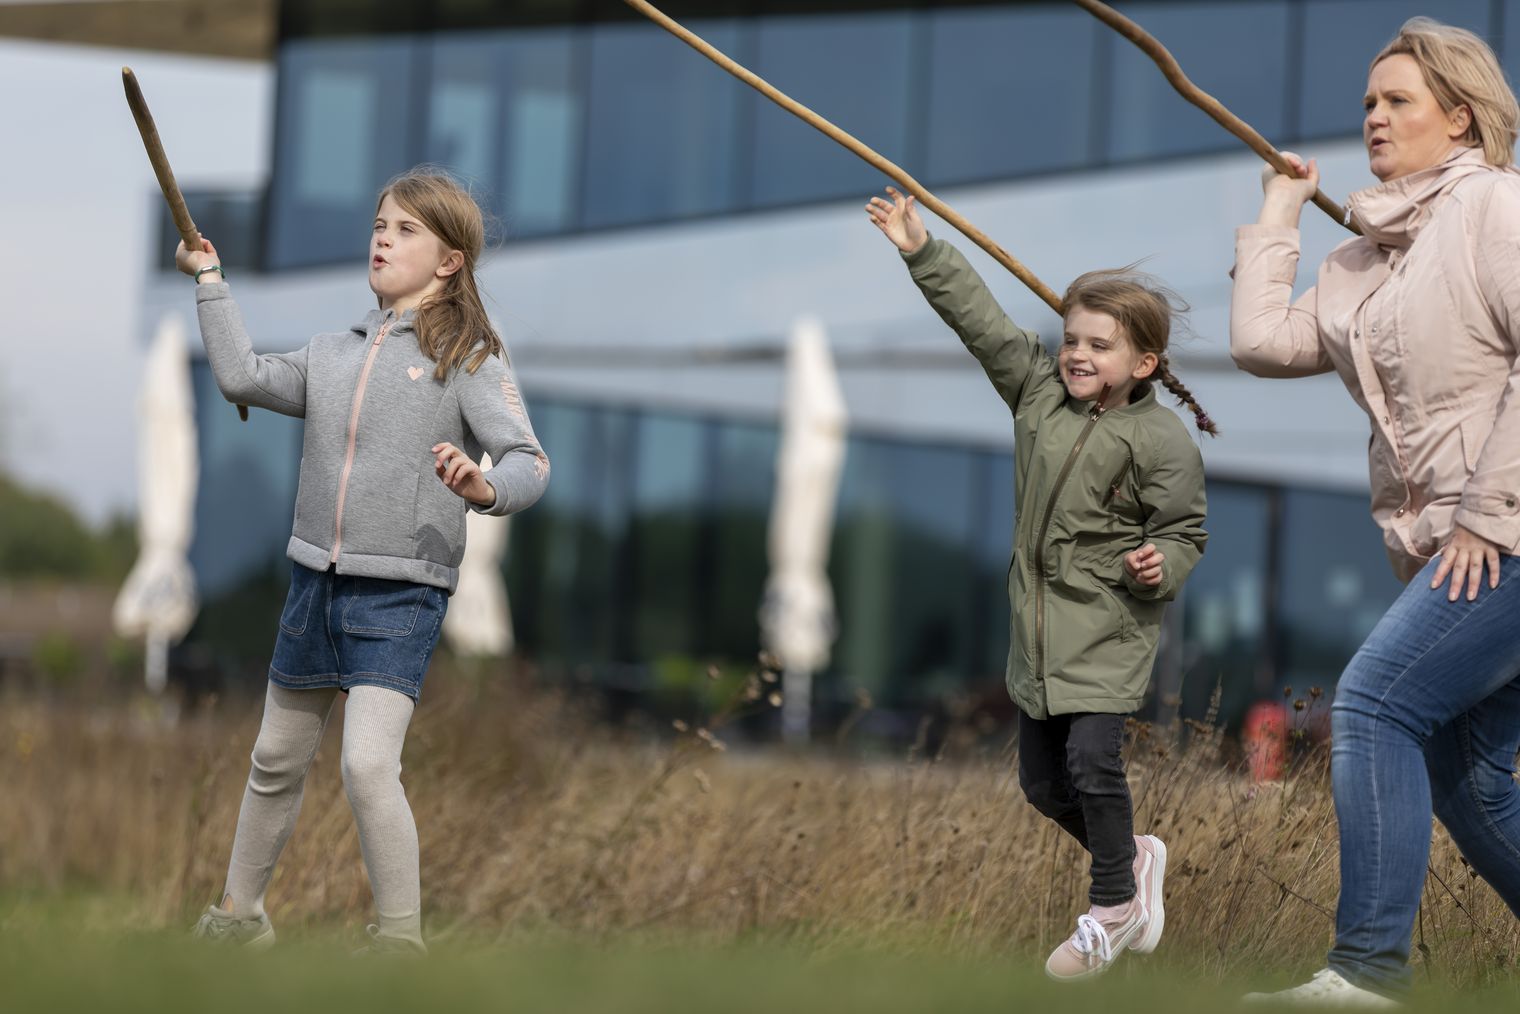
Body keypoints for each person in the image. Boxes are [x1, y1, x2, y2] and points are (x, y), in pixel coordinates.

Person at [177, 168, 550, 954]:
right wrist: (211, 280)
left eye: (406, 229)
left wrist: (484, 488)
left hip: (402, 594)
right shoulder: (329, 353)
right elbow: (241, 375)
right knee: (274, 758)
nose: (383, 237)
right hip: (314, 581)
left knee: (368, 767)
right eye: (380, 224)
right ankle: (239, 917)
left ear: (450, 260)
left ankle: (399, 942)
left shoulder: (468, 360)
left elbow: (530, 460)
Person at [1232, 18, 1520, 1007]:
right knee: (1466, 785)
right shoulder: (1361, 258)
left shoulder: (1493, 207)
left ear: (1461, 117)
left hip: (1505, 535)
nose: (1373, 117)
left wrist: (1492, 511)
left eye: (1396, 100)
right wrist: (1279, 208)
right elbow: (1261, 343)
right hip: (1450, 546)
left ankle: (1364, 976)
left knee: (1371, 704)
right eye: (1366, 102)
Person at [867, 185, 1210, 980]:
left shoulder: (1160, 441)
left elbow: (1184, 530)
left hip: (1109, 628)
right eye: (1071, 339)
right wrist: (922, 249)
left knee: (1094, 765)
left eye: (1099, 345)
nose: (1078, 354)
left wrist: (1164, 564)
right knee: (1040, 784)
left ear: (1144, 364)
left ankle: (1111, 908)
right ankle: (1137, 861)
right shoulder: (1036, 393)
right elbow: (981, 320)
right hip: (1038, 632)